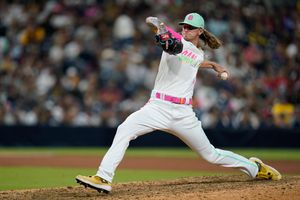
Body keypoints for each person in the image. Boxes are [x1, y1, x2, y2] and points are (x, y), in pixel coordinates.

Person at [76, 13, 281, 193]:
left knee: (211, 155)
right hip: (156, 107)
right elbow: (166, 39)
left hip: (183, 113)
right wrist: (161, 28)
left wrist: (210, 63)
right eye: (183, 26)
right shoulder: (180, 42)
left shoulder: (195, 51)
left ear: (200, 31)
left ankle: (255, 168)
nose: (185, 29)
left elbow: (182, 52)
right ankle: (103, 177)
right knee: (124, 129)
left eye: (190, 27)